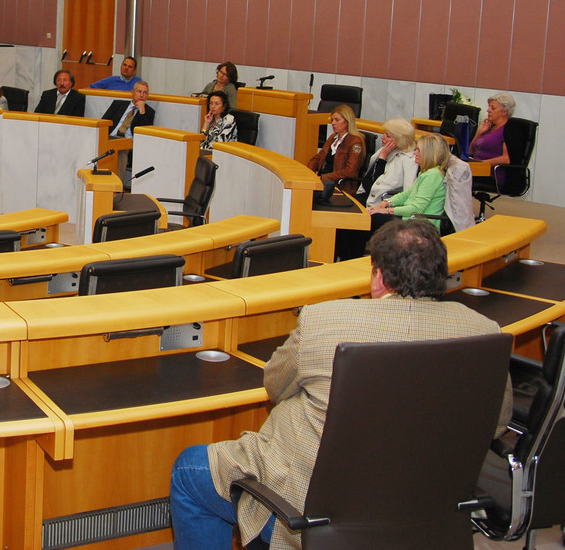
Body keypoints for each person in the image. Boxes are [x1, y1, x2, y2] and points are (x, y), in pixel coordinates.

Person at [169, 219, 512, 550]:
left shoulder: (325, 321)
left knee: (190, 470)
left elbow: (275, 385)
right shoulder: (486, 332)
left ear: (378, 277)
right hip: (427, 510)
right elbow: (496, 423)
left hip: (314, 520)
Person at [368, 132, 451, 229]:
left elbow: (417, 209)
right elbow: (407, 194)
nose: (414, 153)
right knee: (371, 216)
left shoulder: (432, 175)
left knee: (371, 220)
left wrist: (387, 211)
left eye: (418, 150)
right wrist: (385, 203)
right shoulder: (426, 172)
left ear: (428, 154)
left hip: (419, 225)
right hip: (410, 218)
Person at [355, 118, 418, 208]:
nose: (382, 137)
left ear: (400, 139)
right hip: (367, 196)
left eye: (388, 136)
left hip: (382, 204)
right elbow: (368, 179)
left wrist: (382, 159)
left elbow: (408, 192)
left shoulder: (409, 159)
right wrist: (382, 156)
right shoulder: (385, 150)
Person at [306, 105, 365, 199]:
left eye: (337, 120)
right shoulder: (332, 138)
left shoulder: (355, 142)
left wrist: (324, 178)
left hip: (340, 186)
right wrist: (309, 174)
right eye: (332, 120)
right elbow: (317, 158)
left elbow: (350, 172)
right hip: (323, 182)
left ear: (347, 121)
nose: (333, 123)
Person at [469, 92, 524, 168]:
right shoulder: (488, 127)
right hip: (476, 167)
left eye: (493, 108)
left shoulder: (508, 130)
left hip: (490, 171)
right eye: (489, 107)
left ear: (504, 112)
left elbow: (506, 159)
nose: (488, 110)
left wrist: (481, 164)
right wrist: (478, 133)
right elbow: (470, 152)